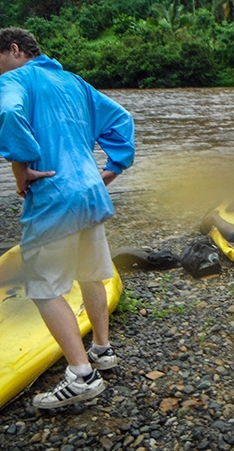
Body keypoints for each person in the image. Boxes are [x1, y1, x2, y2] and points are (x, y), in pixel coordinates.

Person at [0, 27, 135, 408]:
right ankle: (102, 350)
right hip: (90, 192)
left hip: (54, 197)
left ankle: (81, 375)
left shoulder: (16, 79)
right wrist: (114, 166)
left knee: (43, 286)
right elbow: (121, 119)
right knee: (90, 271)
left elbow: (8, 112)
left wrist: (20, 166)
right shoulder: (73, 82)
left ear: (13, 50)